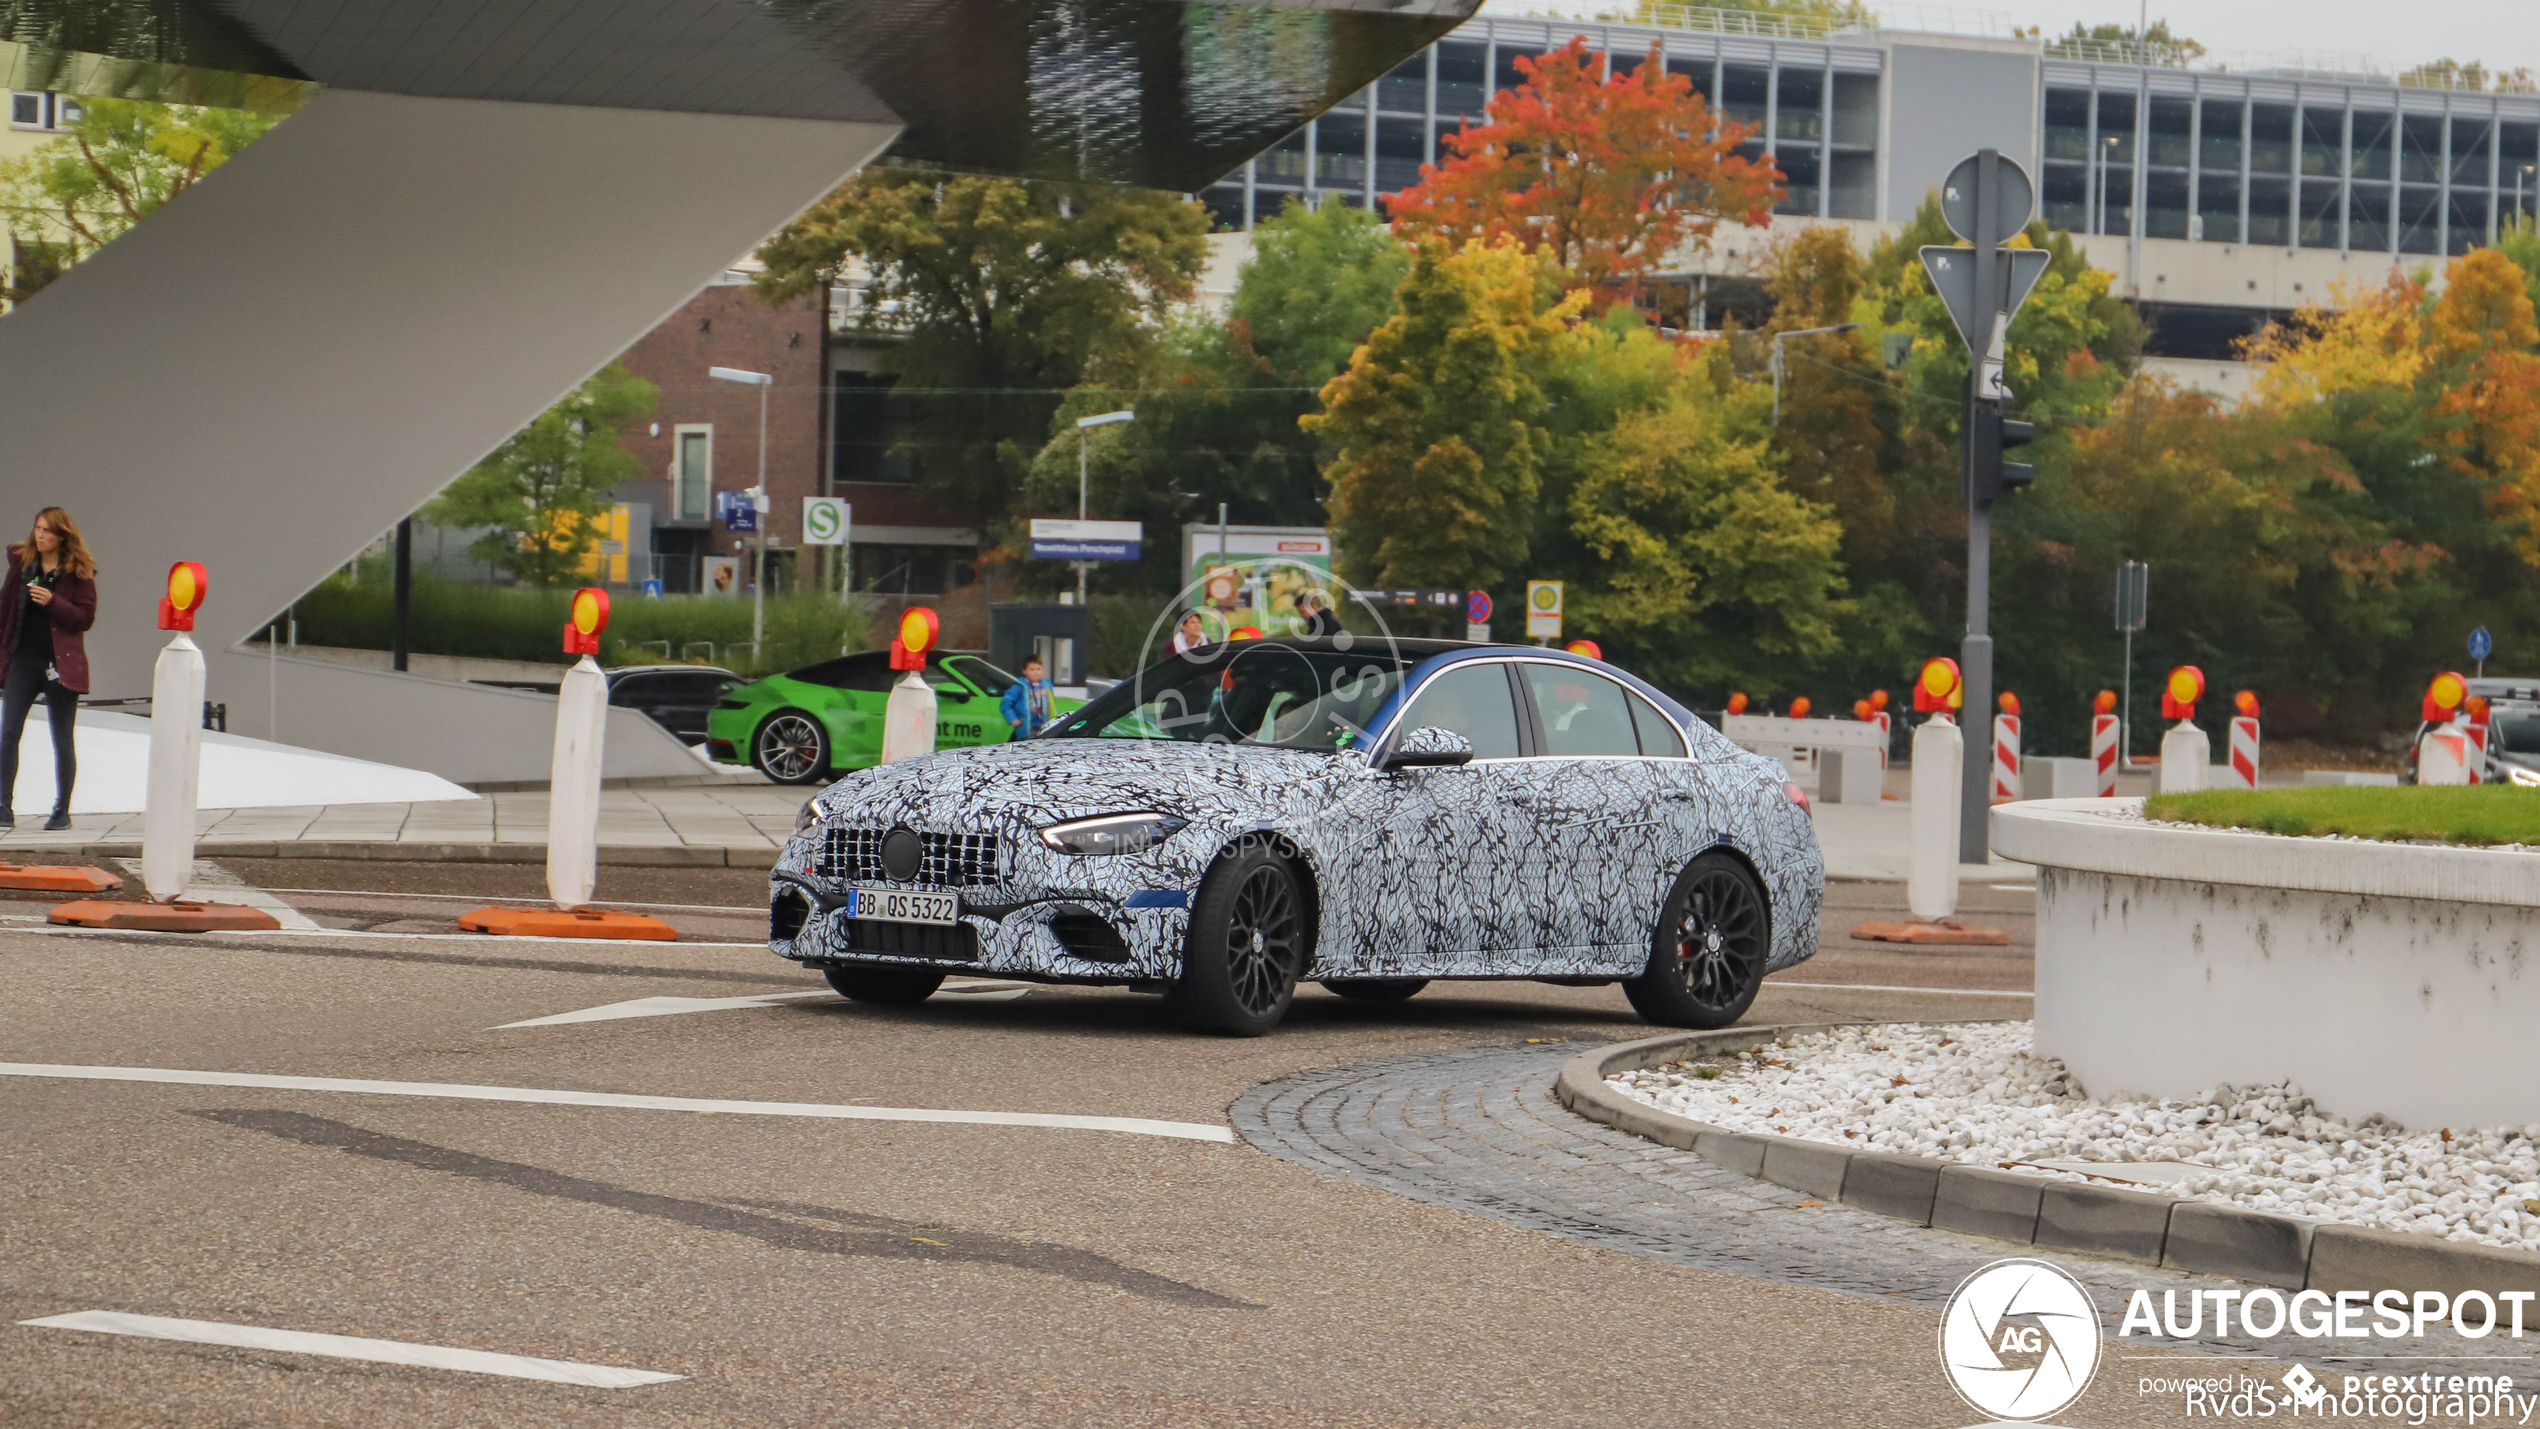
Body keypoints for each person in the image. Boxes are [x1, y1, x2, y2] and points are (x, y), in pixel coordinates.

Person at [0, 507, 97, 830]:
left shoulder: (79, 572)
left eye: (47, 531)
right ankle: (3, 807)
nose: (40, 535)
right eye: (37, 528)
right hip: (22, 661)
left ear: (62, 536)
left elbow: (84, 619)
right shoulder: (23, 565)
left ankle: (61, 810)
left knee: (62, 737)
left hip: (60, 665)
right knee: (9, 732)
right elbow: (5, 611)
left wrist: (53, 601)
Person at [1000, 654, 1053, 739]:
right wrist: (1013, 719)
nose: (1035, 672)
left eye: (1038, 669)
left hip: (1044, 726)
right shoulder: (1020, 686)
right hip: (1027, 727)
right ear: (1025, 671)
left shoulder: (1046, 685)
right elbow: (1005, 704)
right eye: (1032, 669)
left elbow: (1051, 705)